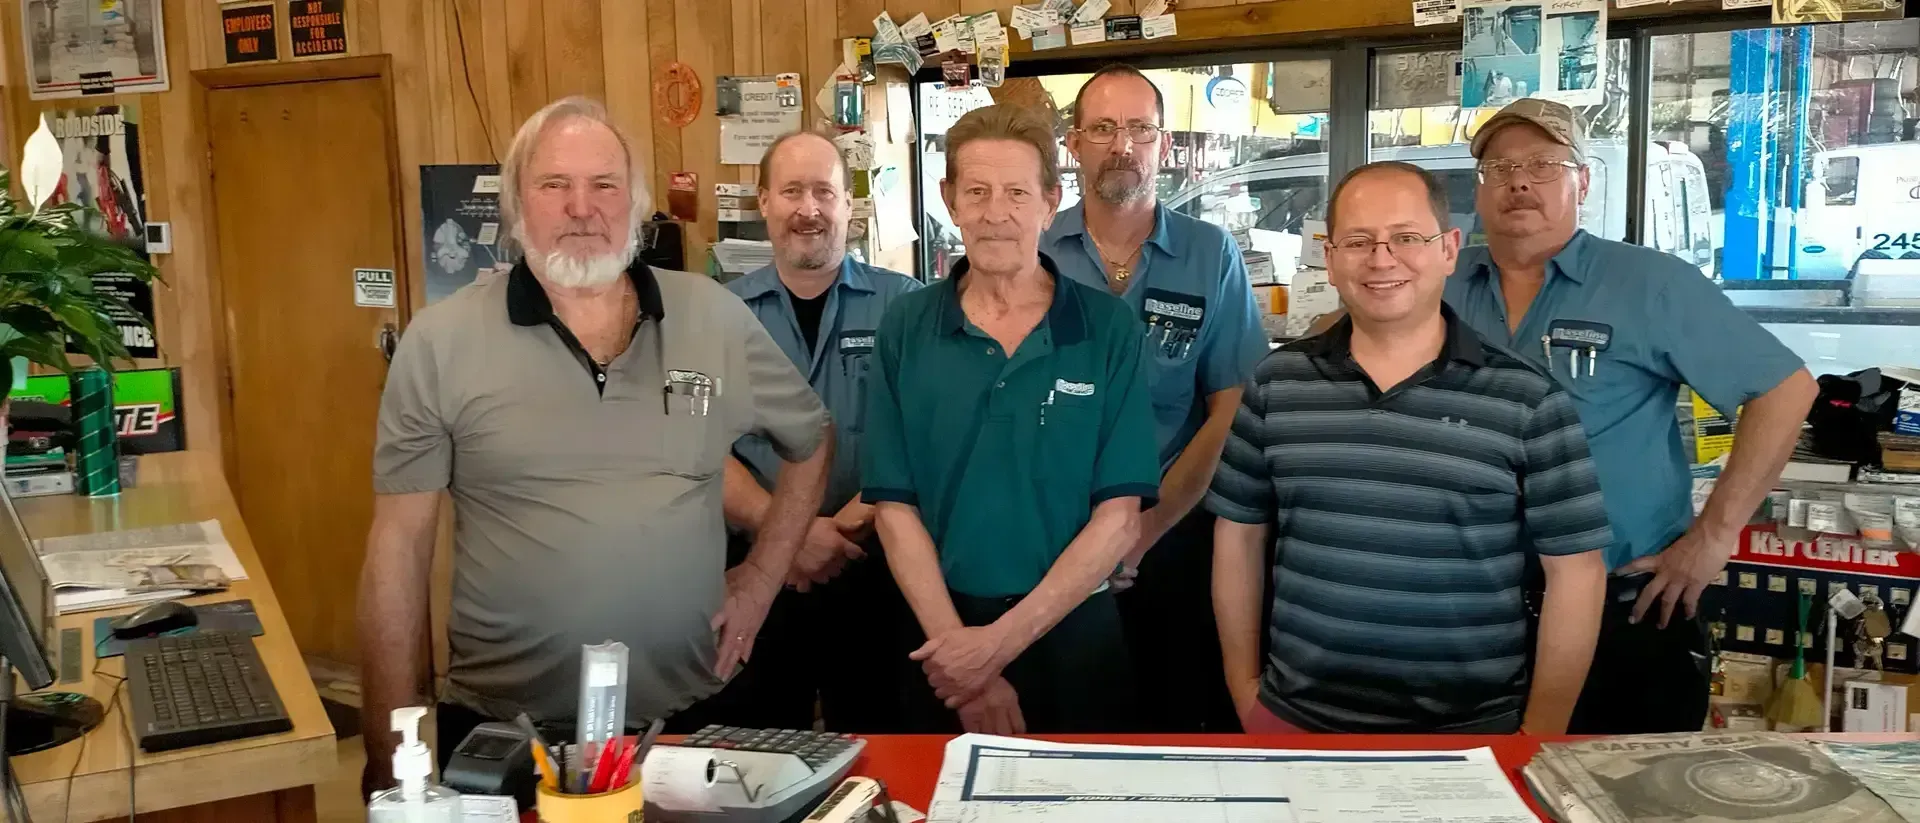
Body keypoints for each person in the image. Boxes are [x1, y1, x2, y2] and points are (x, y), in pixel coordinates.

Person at [357, 96, 832, 789]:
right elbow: (397, 553)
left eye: (604, 184)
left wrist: (760, 580)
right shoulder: (439, 343)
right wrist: (388, 753)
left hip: (694, 721)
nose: (583, 207)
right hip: (506, 734)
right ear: (518, 205)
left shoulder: (714, 319)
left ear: (636, 203)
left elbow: (811, 438)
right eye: (555, 185)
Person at [1449, 98, 1817, 733]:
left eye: (1544, 163)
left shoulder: (1648, 283)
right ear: (1478, 189)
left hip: (1627, 611)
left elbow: (1783, 390)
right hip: (1470, 613)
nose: (1520, 181)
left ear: (1581, 181)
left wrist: (1713, 537)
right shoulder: (1441, 284)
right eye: (1499, 166)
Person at [1210, 161, 1610, 735]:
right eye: (1358, 240)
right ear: (1330, 255)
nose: (1381, 258)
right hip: (1296, 722)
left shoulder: (1527, 399)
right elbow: (1238, 537)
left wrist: (1538, 736)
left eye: (1406, 237)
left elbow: (1577, 574)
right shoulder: (1277, 384)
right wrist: (1245, 690)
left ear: (1449, 249)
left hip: (1474, 736)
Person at [862, 104, 1162, 734]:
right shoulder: (905, 328)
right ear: (949, 201)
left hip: (1073, 635)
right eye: (976, 192)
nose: (996, 213)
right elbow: (893, 509)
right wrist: (962, 658)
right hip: (937, 639)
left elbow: (1118, 521)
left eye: (1017, 193)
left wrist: (994, 648)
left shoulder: (1107, 330)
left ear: (1050, 203)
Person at [1042, 65, 1267, 733]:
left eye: (1140, 128)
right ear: (1074, 143)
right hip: (1050, 539)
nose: (1123, 145)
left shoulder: (1210, 254)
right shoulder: (1033, 250)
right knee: (1065, 733)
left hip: (1174, 537)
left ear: (1163, 146)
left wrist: (1143, 531)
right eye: (1104, 128)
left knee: (1180, 722)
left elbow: (1232, 406)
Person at [710, 131, 923, 731]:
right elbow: (698, 445)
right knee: (750, 758)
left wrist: (840, 529)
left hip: (875, 565)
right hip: (752, 573)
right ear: (764, 203)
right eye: (792, 191)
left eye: (824, 192)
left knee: (880, 747)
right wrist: (789, 534)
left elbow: (922, 438)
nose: (809, 209)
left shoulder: (907, 306)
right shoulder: (718, 316)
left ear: (848, 207)